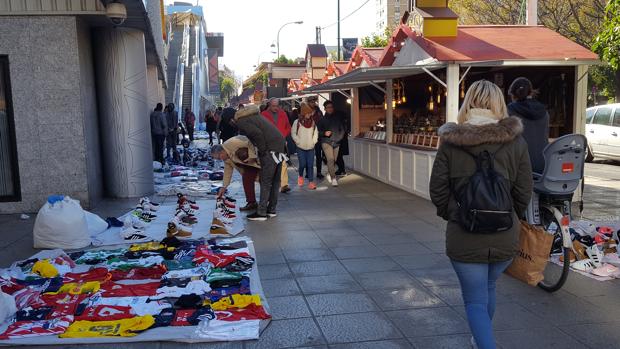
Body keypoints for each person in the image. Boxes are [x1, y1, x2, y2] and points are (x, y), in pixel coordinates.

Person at [429, 80, 532, 349]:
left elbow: (438, 191)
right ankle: (479, 339)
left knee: (475, 300)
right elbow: (524, 191)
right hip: (504, 237)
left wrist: (457, 214)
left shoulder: (451, 142)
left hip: (464, 237)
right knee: (488, 289)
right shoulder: (516, 142)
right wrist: (507, 216)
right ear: (499, 103)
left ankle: (484, 343)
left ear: (468, 102)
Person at [234, 104, 287, 221]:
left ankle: (262, 212)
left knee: (266, 181)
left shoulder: (242, 121)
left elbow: (257, 134)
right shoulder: (255, 116)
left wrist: (262, 151)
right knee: (275, 180)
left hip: (270, 149)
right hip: (280, 146)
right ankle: (271, 209)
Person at [507, 77, 549, 174]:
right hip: (543, 166)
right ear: (531, 92)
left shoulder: (509, 111)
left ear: (513, 95)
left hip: (519, 167)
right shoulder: (544, 112)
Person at [210, 137, 260, 211]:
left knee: (250, 179)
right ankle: (254, 202)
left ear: (222, 152)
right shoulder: (226, 157)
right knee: (249, 179)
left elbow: (250, 142)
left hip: (254, 160)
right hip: (248, 165)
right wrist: (224, 187)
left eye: (219, 158)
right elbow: (227, 172)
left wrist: (252, 156)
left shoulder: (232, 143)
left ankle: (258, 203)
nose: (220, 160)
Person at [260, 98, 292, 193]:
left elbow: (288, 126)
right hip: (269, 143)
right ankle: (271, 183)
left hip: (281, 142)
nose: (275, 108)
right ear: (269, 105)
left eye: (277, 106)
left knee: (283, 162)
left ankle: (284, 185)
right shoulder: (263, 115)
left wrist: (284, 135)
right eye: (273, 106)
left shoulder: (283, 113)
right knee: (271, 164)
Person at [318, 100, 345, 186]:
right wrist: (324, 133)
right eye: (328, 107)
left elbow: (343, 129)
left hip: (337, 142)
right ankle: (333, 178)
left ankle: (330, 173)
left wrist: (339, 138)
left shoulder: (337, 118)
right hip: (326, 142)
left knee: (334, 160)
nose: (330, 109)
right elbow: (317, 132)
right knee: (330, 159)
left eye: (331, 107)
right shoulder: (321, 119)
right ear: (325, 109)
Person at [292, 103, 319, 190]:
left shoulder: (313, 122)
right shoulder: (297, 122)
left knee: (310, 165)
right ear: (303, 113)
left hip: (310, 147)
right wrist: (298, 142)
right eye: (307, 113)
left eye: (310, 113)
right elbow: (293, 133)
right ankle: (300, 176)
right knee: (303, 164)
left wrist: (314, 142)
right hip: (301, 147)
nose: (309, 115)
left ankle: (311, 182)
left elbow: (315, 133)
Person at [307, 96, 324, 179]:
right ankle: (308, 172)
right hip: (308, 136)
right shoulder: (305, 111)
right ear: (308, 102)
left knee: (318, 155)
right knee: (309, 155)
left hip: (318, 136)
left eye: (314, 101)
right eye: (311, 102)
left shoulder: (319, 111)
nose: (313, 103)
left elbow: (322, 122)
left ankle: (319, 172)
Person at [336, 110, 350, 175]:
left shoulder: (341, 124)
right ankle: (341, 169)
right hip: (341, 142)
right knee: (339, 156)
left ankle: (341, 170)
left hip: (339, 142)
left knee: (338, 156)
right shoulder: (344, 123)